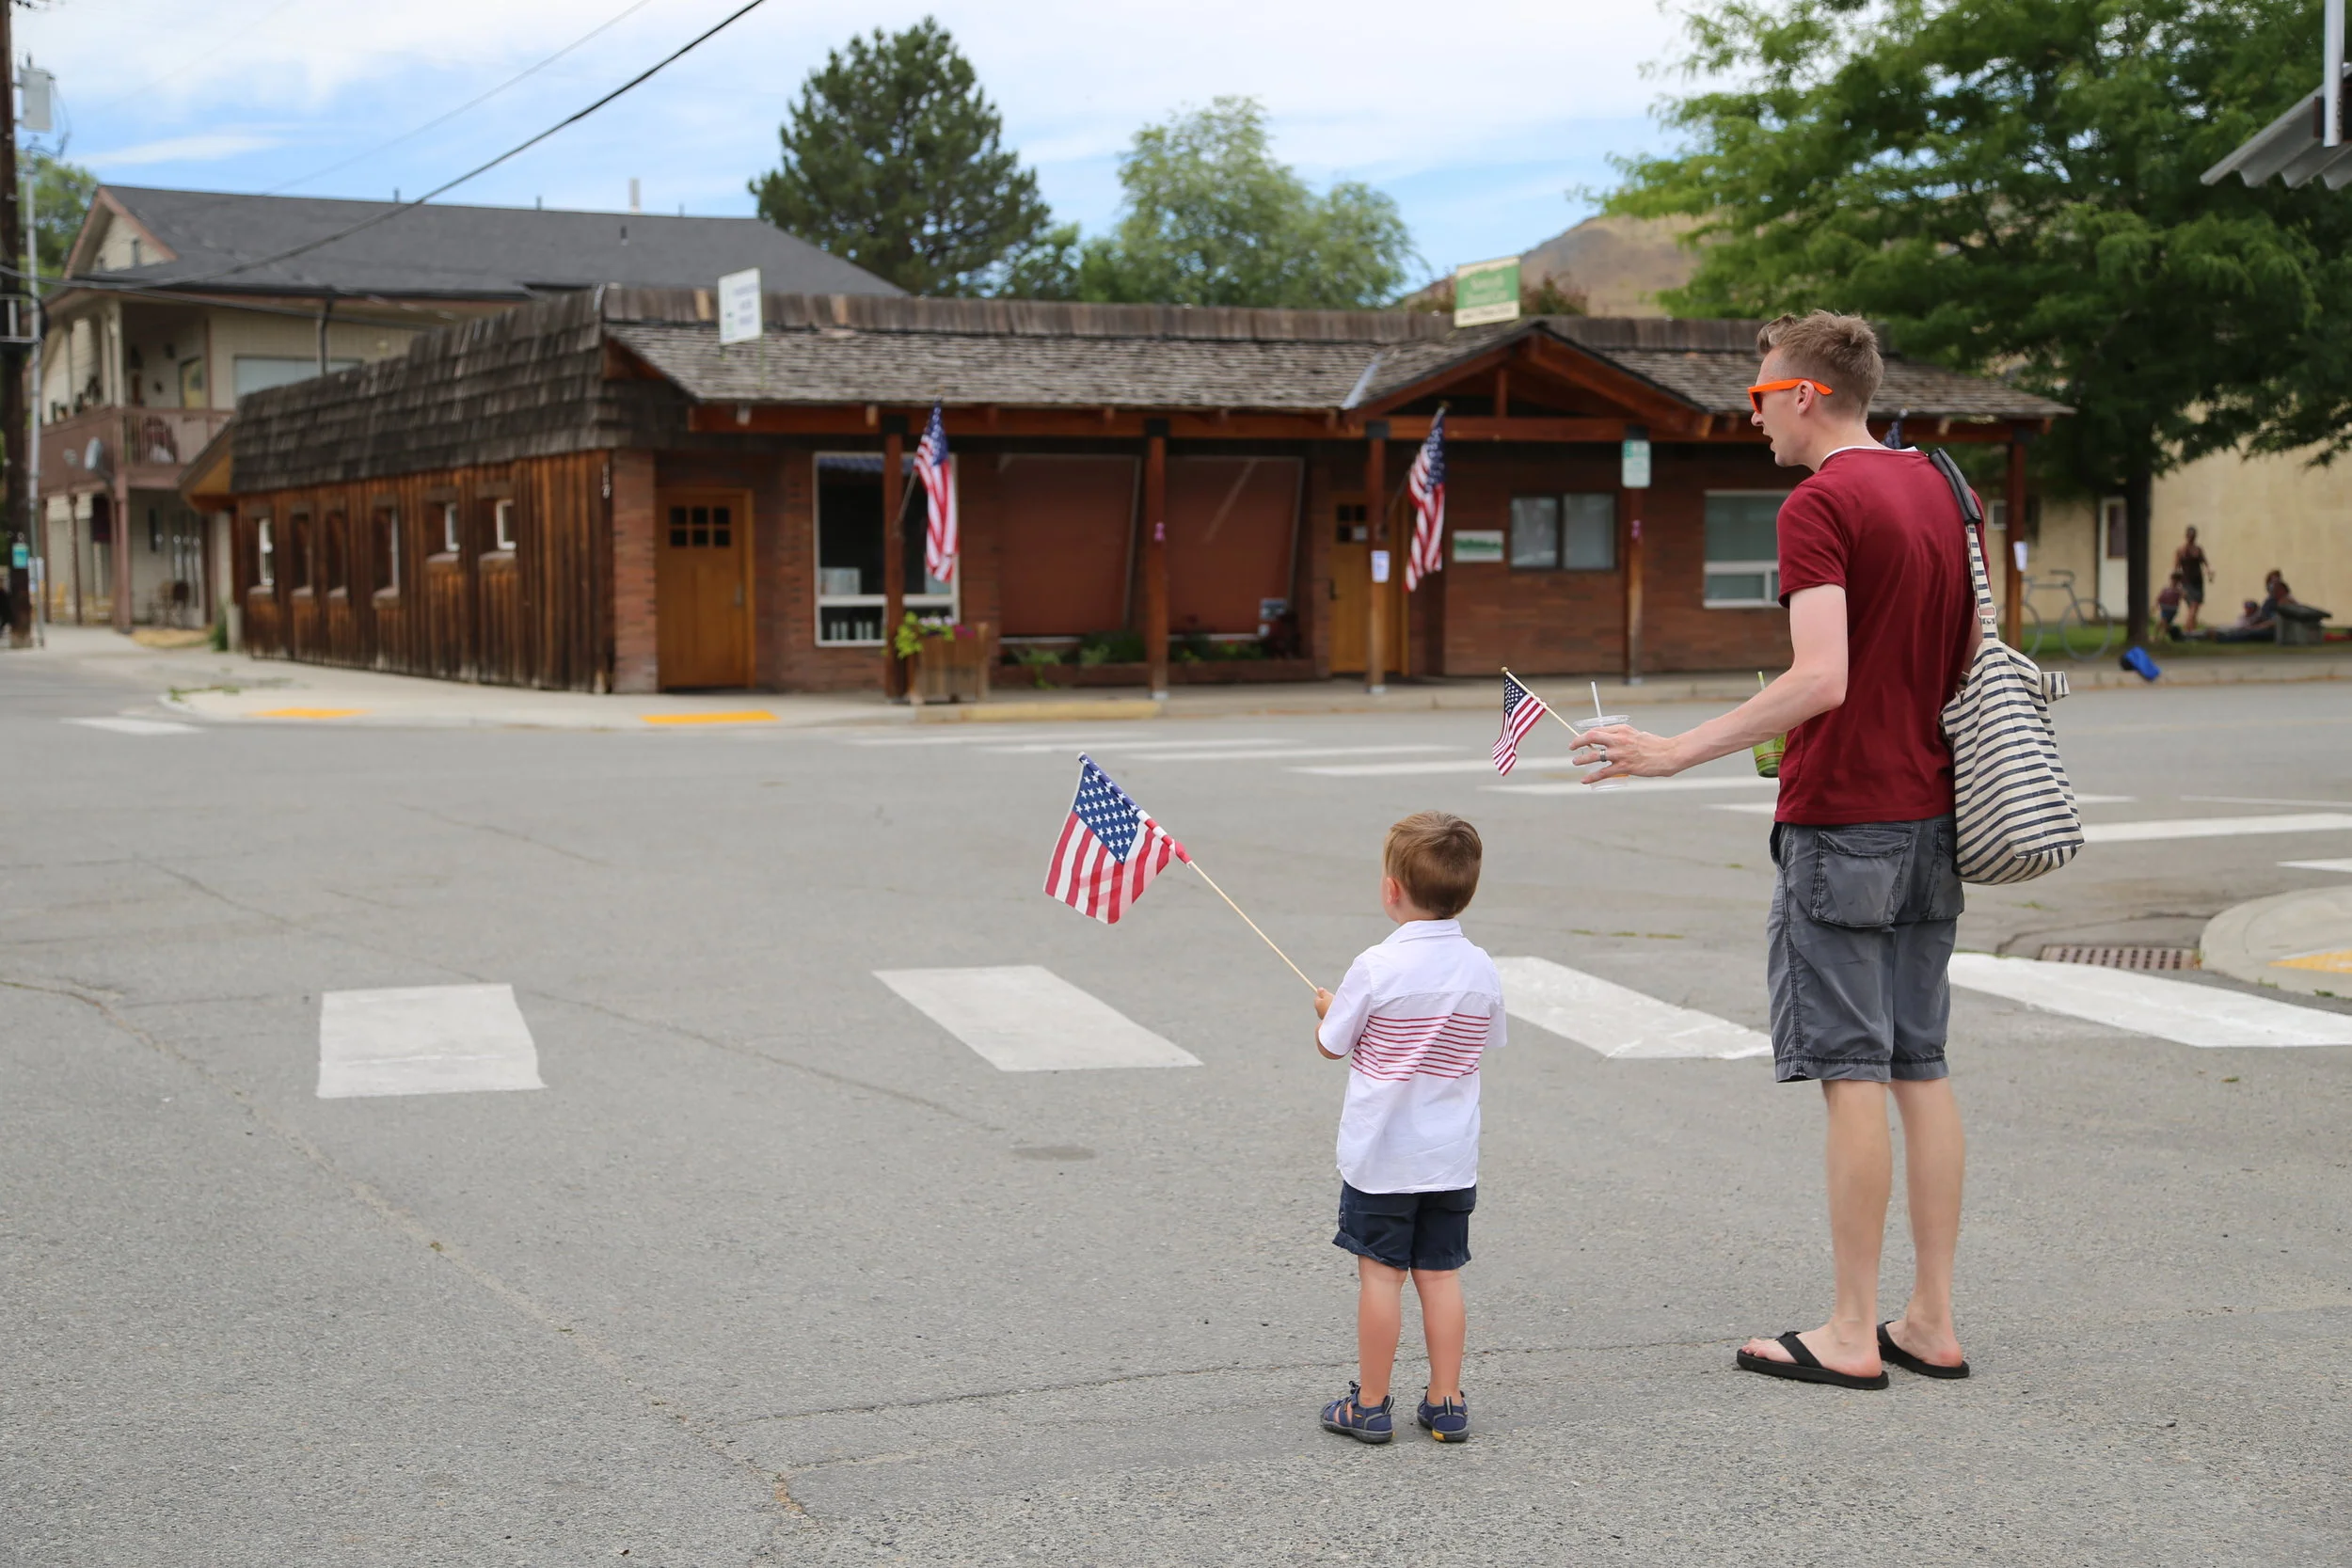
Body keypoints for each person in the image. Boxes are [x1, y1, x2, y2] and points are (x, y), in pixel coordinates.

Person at [1571, 309, 1977, 1390]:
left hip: (1844, 816)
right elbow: (1963, 655)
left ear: (1804, 394)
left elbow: (1821, 677)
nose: (1750, 417)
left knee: (1851, 1073)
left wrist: (1675, 749)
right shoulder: (1942, 487)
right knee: (1918, 1067)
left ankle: (1851, 1330)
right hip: (1933, 811)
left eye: (1757, 397)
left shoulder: (1821, 502)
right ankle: (1929, 1316)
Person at [1312, 811, 1504, 1443]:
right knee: (1441, 1273)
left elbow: (1332, 1043)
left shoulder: (1374, 966)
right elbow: (1482, 1041)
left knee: (1380, 1274)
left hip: (1384, 1156)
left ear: (1391, 889)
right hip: (1450, 1156)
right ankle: (1446, 1399)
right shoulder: (1481, 968)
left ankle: (1370, 1403)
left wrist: (1329, 1011)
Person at [2174, 528, 2214, 634]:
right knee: (2193, 605)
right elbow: (2176, 567)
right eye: (2190, 536)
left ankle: (2192, 630)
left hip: (2198, 581)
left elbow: (2205, 563)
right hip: (2186, 582)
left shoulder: (2198, 549)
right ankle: (2187, 631)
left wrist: (2209, 571)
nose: (2191, 538)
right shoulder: (2181, 550)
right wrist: (2175, 583)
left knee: (2195, 607)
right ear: (2186, 536)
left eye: (2193, 536)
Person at [2155, 572, 2185, 641]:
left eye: (2176, 580)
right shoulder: (2166, 588)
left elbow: (2183, 596)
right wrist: (2156, 605)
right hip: (2164, 608)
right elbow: (2160, 597)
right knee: (2161, 623)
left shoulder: (2179, 590)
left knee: (2164, 623)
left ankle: (2161, 637)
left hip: (2172, 610)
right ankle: (2158, 636)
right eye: (2173, 579)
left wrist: (2181, 592)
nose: (2173, 581)